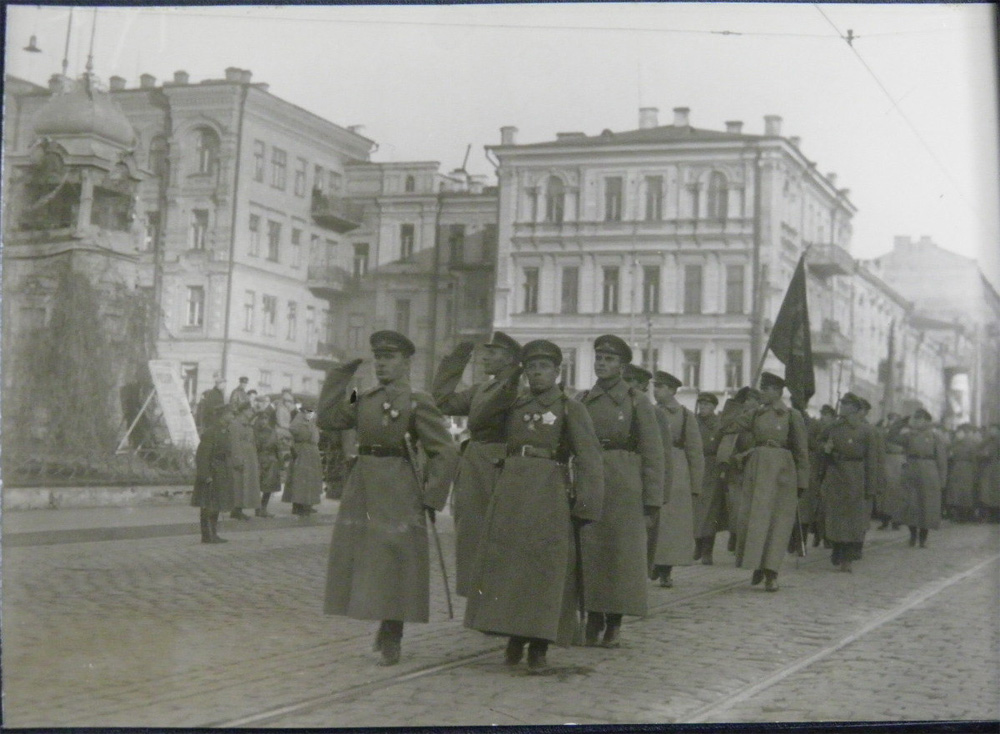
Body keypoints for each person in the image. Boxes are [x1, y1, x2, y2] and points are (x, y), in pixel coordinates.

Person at [318, 331, 459, 666]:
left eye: (390, 357)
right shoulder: (361, 397)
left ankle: (392, 631)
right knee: (367, 560)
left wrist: (432, 496)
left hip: (399, 486)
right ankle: (383, 623)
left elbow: (446, 451)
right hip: (363, 486)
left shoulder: (417, 400)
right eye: (378, 357)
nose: (382, 363)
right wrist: (339, 376)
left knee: (395, 561)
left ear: (406, 362)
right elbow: (329, 417)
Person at [465, 340, 604, 671]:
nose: (536, 373)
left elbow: (589, 458)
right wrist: (507, 382)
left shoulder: (570, 408)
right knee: (511, 567)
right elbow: (479, 422)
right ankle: (514, 635)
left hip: (549, 492)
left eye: (543, 367)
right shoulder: (513, 403)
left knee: (545, 570)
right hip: (512, 490)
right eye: (531, 368)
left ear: (557, 372)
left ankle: (539, 644)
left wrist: (587, 504)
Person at [576, 336, 663, 647]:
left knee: (620, 555)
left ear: (622, 366)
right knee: (590, 552)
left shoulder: (637, 401)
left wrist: (652, 499)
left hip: (625, 482)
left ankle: (615, 621)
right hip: (590, 478)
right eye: (598, 357)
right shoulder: (583, 399)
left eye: (609, 359)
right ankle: (593, 615)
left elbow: (652, 452)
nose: (601, 363)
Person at [432, 331, 522, 597]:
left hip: (498, 464)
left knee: (496, 534)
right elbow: (441, 400)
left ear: (509, 360)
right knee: (471, 532)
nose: (485, 357)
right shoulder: (483, 388)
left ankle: (497, 599)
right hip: (476, 463)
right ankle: (479, 596)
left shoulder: (516, 388)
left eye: (492, 353)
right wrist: (457, 359)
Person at [720, 371, 809, 592]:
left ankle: (772, 572)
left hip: (782, 471)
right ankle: (757, 565)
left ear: (778, 392)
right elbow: (727, 427)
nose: (763, 392)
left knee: (778, 522)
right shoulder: (755, 414)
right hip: (757, 470)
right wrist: (734, 403)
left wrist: (802, 482)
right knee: (756, 520)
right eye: (762, 387)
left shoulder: (790, 415)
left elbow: (801, 451)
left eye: (767, 388)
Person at [649, 371, 702, 588]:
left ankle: (665, 570)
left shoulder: (685, 415)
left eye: (661, 387)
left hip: (677, 470)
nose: (656, 390)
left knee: (671, 524)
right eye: (655, 386)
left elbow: (695, 451)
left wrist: (696, 484)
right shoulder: (649, 412)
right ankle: (653, 564)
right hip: (653, 466)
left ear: (672, 390)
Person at [818, 393, 880, 572]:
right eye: (842, 403)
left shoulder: (865, 431)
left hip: (856, 475)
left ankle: (848, 557)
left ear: (854, 407)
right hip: (836, 473)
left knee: (853, 519)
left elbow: (871, 460)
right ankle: (837, 550)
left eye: (846, 404)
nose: (842, 407)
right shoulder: (833, 427)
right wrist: (825, 448)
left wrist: (871, 486)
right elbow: (819, 441)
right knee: (835, 516)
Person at [621, 365, 672, 581]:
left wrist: (661, 494)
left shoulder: (655, 414)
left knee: (644, 537)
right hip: (619, 479)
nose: (629, 386)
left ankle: (638, 580)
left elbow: (664, 457)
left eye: (634, 381)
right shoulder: (615, 410)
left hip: (643, 482)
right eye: (626, 380)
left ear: (643, 386)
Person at [887, 408, 948, 548]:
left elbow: (942, 460)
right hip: (911, 470)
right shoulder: (909, 436)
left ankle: (923, 538)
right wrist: (901, 422)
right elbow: (890, 437)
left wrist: (942, 480)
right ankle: (912, 535)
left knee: (926, 505)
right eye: (915, 418)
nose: (916, 421)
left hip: (929, 472)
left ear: (927, 421)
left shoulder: (935, 437)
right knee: (911, 504)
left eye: (919, 419)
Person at [717, 387, 761, 554]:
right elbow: (725, 430)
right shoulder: (738, 420)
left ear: (758, 403)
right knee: (735, 507)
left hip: (755, 466)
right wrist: (735, 456)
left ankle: (747, 543)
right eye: (746, 400)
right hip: (736, 468)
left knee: (752, 508)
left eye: (752, 400)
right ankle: (735, 535)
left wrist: (748, 453)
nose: (748, 403)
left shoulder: (761, 420)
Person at [191, 404, 236, 543]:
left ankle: (213, 534)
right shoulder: (212, 432)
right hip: (211, 472)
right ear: (224, 415)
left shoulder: (225, 431)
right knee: (208, 505)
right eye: (231, 414)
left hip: (221, 472)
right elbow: (202, 455)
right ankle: (206, 535)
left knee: (216, 504)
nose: (233, 417)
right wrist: (206, 475)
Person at [694, 392, 726, 565]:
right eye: (701, 405)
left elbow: (724, 447)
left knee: (710, 511)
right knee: (696, 509)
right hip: (696, 466)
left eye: (707, 405)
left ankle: (707, 550)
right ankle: (697, 545)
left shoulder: (719, 425)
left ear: (714, 407)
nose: (703, 408)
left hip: (713, 468)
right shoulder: (693, 421)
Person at [801, 404, 836, 545]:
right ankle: (815, 534)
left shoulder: (837, 428)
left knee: (826, 505)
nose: (824, 417)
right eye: (823, 414)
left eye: (827, 415)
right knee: (813, 504)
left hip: (831, 468)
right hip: (817, 467)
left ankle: (826, 536)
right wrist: (823, 447)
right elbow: (811, 442)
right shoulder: (816, 426)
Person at [282, 399, 323, 516]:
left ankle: (308, 504)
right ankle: (298, 505)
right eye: (308, 410)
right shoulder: (299, 420)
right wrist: (305, 429)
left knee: (311, 479)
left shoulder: (311, 420)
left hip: (311, 451)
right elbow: (294, 430)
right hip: (303, 451)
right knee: (300, 479)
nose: (311, 413)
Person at [228, 400, 261, 520]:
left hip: (249, 457)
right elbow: (234, 443)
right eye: (249, 410)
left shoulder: (247, 424)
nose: (251, 412)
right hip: (242, 457)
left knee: (245, 484)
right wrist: (237, 459)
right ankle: (236, 509)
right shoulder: (236, 424)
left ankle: (239, 509)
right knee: (238, 484)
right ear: (243, 411)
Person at [252, 395, 281, 518]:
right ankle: (258, 509)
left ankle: (263, 508)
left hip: (271, 460)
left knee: (268, 487)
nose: (263, 421)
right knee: (256, 486)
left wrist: (279, 459)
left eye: (265, 419)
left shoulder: (271, 431)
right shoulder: (254, 431)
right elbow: (255, 446)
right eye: (261, 419)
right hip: (259, 459)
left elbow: (277, 446)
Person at [945, 423, 980, 523]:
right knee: (955, 493)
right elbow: (948, 452)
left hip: (967, 469)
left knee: (966, 493)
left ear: (965, 433)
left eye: (960, 433)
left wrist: (975, 471)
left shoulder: (971, 443)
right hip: (956, 468)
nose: (958, 435)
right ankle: (958, 515)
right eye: (957, 433)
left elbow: (974, 458)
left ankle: (965, 515)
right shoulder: (954, 443)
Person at [977, 424, 1000, 522]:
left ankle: (996, 516)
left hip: (997, 468)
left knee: (996, 492)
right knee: (988, 493)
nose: (992, 431)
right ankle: (991, 515)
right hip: (989, 468)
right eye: (991, 430)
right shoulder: (988, 440)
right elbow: (979, 448)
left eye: (994, 430)